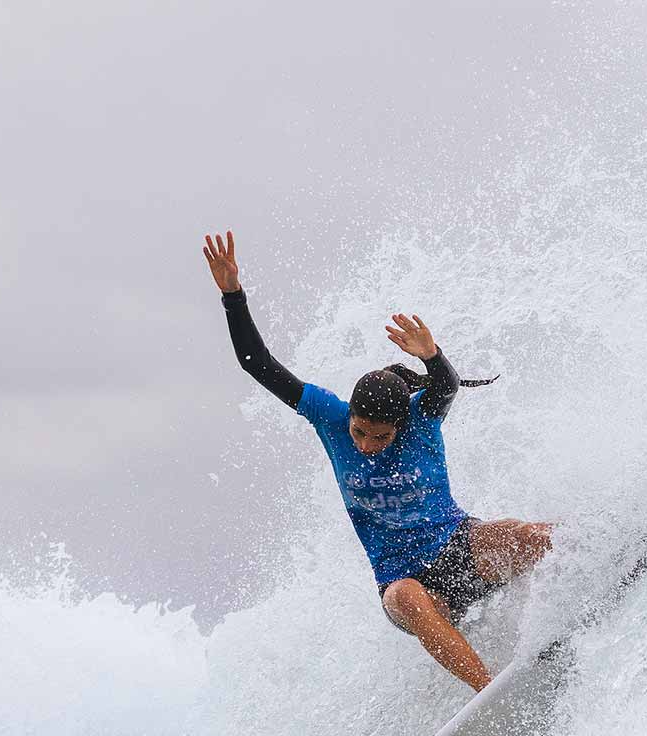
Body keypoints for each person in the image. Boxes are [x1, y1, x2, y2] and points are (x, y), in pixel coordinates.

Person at [202, 230, 551, 691]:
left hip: (460, 548)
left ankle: (614, 546)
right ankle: (492, 695)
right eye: (359, 432)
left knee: (525, 535)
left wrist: (432, 355)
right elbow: (258, 364)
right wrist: (232, 295)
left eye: (379, 437)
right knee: (406, 597)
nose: (365, 444)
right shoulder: (330, 417)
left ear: (400, 425)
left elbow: (444, 385)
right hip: (407, 583)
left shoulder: (422, 418)